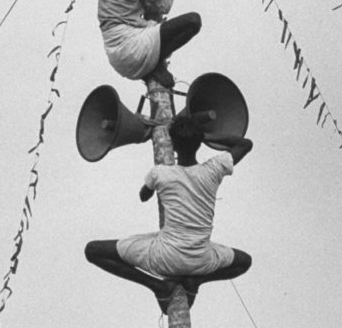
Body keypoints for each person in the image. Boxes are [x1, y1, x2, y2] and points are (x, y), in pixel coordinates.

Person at [84, 115, 253, 312]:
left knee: (93, 250)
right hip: (200, 259)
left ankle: (156, 286)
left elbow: (143, 195)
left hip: (164, 257)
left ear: (172, 144)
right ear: (199, 143)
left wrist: (155, 186)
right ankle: (196, 281)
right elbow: (245, 144)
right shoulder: (214, 169)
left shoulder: (160, 173)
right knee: (244, 261)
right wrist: (202, 135)